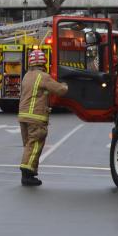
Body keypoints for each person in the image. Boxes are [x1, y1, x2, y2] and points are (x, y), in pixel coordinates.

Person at [18, 49, 68, 186]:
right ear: (43, 63)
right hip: (35, 116)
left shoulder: (26, 76)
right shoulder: (43, 76)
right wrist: (66, 85)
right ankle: (26, 175)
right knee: (35, 145)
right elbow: (60, 90)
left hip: (23, 116)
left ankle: (30, 173)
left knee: (29, 145)